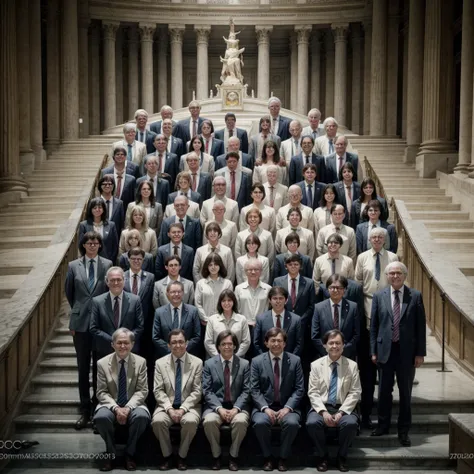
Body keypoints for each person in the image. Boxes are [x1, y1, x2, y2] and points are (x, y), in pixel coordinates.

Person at [370, 262, 426, 446]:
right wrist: (373, 351)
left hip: (406, 353)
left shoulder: (415, 296)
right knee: (384, 391)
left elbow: (420, 327)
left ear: (404, 275)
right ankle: (383, 426)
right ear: (387, 276)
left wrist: (420, 353)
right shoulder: (379, 296)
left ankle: (404, 431)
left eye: (399, 273)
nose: (395, 276)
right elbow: (374, 326)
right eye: (392, 273)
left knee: (405, 393)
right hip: (385, 352)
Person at [65, 231, 113, 430]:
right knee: (83, 368)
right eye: (89, 242)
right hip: (81, 324)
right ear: (83, 245)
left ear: (100, 245)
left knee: (100, 368)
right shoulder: (73, 266)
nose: (92, 245)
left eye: (96, 242)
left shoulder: (108, 264)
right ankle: (85, 410)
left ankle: (97, 408)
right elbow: (69, 292)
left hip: (101, 324)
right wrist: (78, 314)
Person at [355, 227, 399, 429]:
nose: (377, 239)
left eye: (381, 237)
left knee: (385, 373)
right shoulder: (362, 257)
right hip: (367, 307)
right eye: (373, 237)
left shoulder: (393, 256)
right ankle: (364, 415)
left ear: (385, 239)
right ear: (368, 239)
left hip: (388, 311)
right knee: (366, 372)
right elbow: (358, 283)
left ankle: (384, 418)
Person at [93, 328, 151, 472]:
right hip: (110, 403)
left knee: (142, 416)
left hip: (134, 403)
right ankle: (111, 454)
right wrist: (116, 408)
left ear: (132, 344)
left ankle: (129, 454)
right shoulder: (102, 363)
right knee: (101, 417)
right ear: (112, 344)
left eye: (126, 343)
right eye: (119, 343)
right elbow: (101, 392)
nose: (122, 346)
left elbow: (142, 390)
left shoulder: (141, 362)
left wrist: (128, 408)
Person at [306, 329, 361, 473]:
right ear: (325, 345)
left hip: (343, 407)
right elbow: (312, 392)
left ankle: (341, 457)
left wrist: (341, 412)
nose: (334, 346)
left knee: (350, 423)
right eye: (331, 343)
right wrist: (323, 412)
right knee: (312, 422)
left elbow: (355, 392)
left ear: (343, 346)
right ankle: (323, 456)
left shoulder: (352, 365)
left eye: (338, 343)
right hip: (322, 407)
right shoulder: (316, 365)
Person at [251, 327, 304, 472]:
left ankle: (283, 458)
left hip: (287, 407)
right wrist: (265, 408)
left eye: (279, 341)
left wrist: (287, 408)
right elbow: (254, 389)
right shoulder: (256, 362)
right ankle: (267, 457)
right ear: (266, 343)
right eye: (272, 341)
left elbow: (299, 389)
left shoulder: (295, 361)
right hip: (264, 407)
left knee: (292, 423)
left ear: (285, 344)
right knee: (260, 422)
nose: (276, 344)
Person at [151, 329, 203, 471]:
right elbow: (158, 390)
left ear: (186, 343)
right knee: (158, 421)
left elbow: (197, 391)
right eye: (173, 342)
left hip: (190, 407)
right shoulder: (160, 363)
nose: (177, 345)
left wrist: (182, 409)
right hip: (165, 406)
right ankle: (167, 456)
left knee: (191, 422)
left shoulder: (197, 363)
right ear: (168, 345)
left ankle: (181, 456)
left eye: (181, 342)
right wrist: (169, 408)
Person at [202, 330, 251, 470]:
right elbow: (207, 390)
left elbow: (247, 390)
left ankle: (233, 456)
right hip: (215, 407)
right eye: (223, 344)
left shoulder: (244, 364)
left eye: (230, 344)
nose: (227, 347)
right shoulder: (209, 364)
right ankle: (216, 455)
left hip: (238, 406)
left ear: (235, 346)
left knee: (241, 421)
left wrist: (236, 409)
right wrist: (219, 408)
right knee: (209, 421)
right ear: (218, 346)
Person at [89, 267, 144, 360]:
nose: (116, 283)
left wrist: (125, 341)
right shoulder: (97, 301)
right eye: (112, 280)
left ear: (124, 280)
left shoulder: (135, 300)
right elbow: (94, 328)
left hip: (129, 351)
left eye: (119, 280)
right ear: (107, 282)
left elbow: (139, 326)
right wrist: (114, 341)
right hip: (105, 351)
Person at [311, 274, 360, 361]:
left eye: (339, 288)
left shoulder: (353, 307)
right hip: (324, 356)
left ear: (344, 290)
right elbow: (315, 335)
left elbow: (356, 334)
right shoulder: (319, 307)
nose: (335, 290)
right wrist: (328, 351)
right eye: (332, 287)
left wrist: (343, 350)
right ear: (327, 289)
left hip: (347, 356)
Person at [152, 281, 201, 359]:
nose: (176, 294)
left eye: (179, 292)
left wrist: (183, 349)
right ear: (167, 294)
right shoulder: (159, 312)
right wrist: (171, 349)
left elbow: (197, 335)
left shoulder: (193, 311)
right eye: (173, 292)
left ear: (183, 293)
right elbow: (156, 337)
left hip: (188, 355)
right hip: (166, 356)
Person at [123, 248, 155, 360]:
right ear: (128, 259)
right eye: (133, 258)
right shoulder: (122, 276)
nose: (136, 261)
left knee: (144, 355)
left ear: (143, 260)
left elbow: (152, 300)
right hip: (125, 322)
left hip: (145, 322)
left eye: (139, 259)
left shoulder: (150, 277)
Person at [254, 286, 303, 356]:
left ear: (286, 300)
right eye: (275, 298)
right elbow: (256, 343)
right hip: (266, 361)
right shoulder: (261, 319)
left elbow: (299, 344)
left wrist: (291, 359)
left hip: (288, 361)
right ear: (269, 300)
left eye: (281, 298)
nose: (278, 301)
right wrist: (266, 359)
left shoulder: (296, 319)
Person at [234, 259, 272, 349]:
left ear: (261, 271)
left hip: (262, 327)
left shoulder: (268, 289)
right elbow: (235, 309)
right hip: (243, 326)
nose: (253, 272)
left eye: (256, 269)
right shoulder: (238, 289)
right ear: (245, 272)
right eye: (249, 270)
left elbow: (270, 309)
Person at [272, 253, 316, 328]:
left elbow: (311, 305)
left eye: (296, 264)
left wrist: (300, 319)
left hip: (303, 323)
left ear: (300, 266)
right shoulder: (278, 281)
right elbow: (274, 302)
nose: (293, 266)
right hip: (283, 322)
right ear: (286, 266)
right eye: (290, 264)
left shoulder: (309, 283)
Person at [204, 290, 251, 358]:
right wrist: (219, 357)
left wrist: (234, 357)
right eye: (223, 301)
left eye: (229, 300)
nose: (226, 303)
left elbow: (246, 342)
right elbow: (208, 342)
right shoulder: (212, 320)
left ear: (234, 302)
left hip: (237, 359)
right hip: (216, 359)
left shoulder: (242, 319)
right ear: (220, 303)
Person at [195, 253, 233, 325]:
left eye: (216, 264)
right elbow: (198, 304)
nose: (213, 267)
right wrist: (206, 319)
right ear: (207, 266)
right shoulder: (200, 284)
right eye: (210, 265)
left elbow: (229, 304)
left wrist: (221, 319)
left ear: (220, 266)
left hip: (223, 322)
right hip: (205, 323)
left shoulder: (227, 283)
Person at [78, 197, 119, 264]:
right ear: (90, 210)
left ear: (103, 209)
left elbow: (115, 246)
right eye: (94, 208)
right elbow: (81, 245)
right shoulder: (84, 225)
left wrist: (110, 261)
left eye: (100, 207)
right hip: (89, 262)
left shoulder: (111, 225)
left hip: (107, 262)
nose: (97, 210)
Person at [335, 162, 361, 228]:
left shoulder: (359, 187)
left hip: (356, 219)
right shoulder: (336, 187)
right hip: (341, 218)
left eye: (349, 171)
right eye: (344, 172)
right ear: (341, 174)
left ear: (353, 173)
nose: (347, 173)